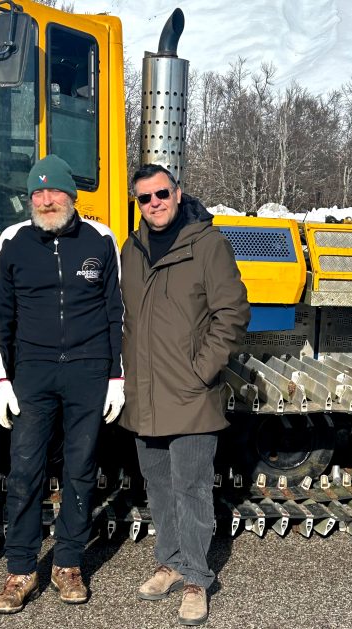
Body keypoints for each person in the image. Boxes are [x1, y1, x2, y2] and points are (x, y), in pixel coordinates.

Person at [0, 154, 124, 614]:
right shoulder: (12, 242)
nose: (46, 200)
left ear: (72, 195)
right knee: (25, 470)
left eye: (55, 192)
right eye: (38, 193)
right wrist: (0, 379)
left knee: (81, 469)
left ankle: (67, 564)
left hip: (87, 370)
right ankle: (21, 570)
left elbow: (116, 314)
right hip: (33, 371)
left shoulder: (100, 240)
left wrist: (115, 376)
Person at [119, 164, 250, 626]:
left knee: (192, 488)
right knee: (157, 486)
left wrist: (203, 368)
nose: (154, 203)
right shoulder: (130, 250)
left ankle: (197, 578)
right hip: (145, 394)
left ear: (177, 193)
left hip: (190, 394)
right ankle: (170, 562)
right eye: (144, 198)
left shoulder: (206, 244)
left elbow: (232, 311)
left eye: (161, 193)